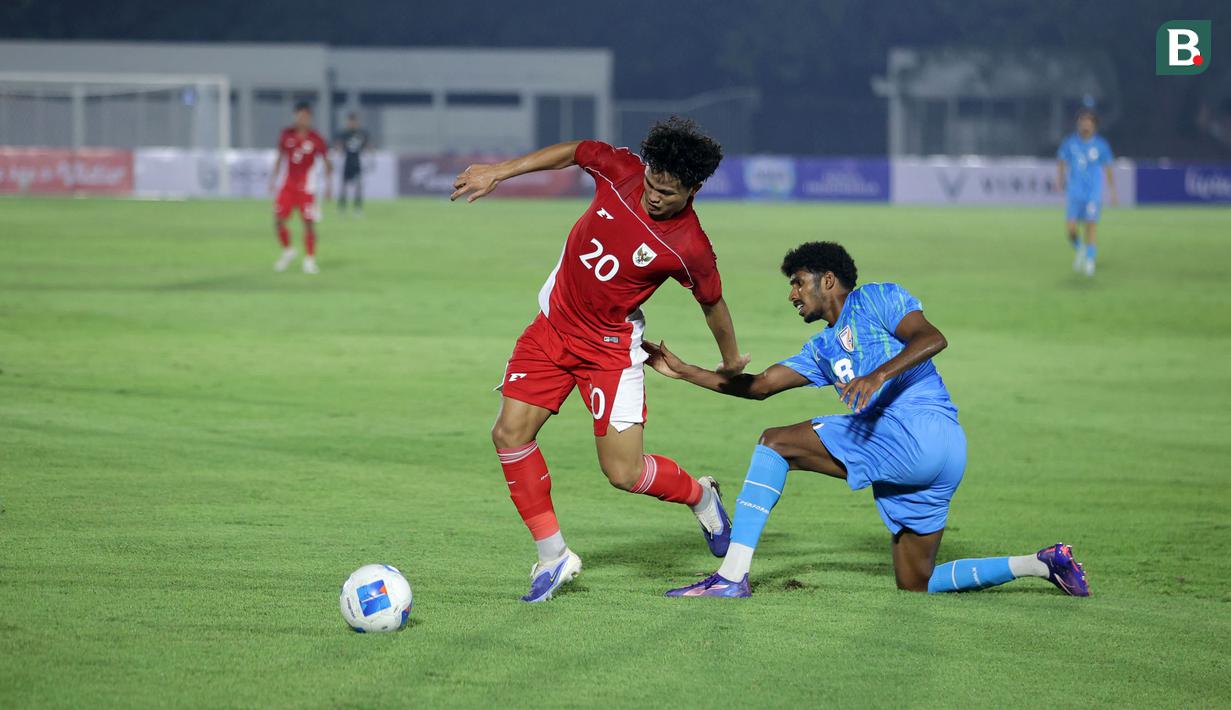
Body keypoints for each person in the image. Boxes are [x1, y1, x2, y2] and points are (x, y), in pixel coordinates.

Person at [644, 241, 1090, 598]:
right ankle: (1040, 563)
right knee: (917, 582)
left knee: (774, 443)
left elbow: (931, 338)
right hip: (942, 455)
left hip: (917, 430)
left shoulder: (876, 299)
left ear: (829, 280)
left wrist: (877, 376)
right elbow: (757, 387)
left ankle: (732, 574)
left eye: (798, 283)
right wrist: (684, 371)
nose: (792, 294)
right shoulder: (821, 350)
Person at [451, 117, 749, 603]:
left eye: (669, 193)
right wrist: (499, 172)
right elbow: (576, 150)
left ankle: (701, 496)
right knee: (509, 434)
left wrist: (730, 359)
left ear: (693, 189)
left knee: (623, 474)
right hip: (553, 328)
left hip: (609, 351)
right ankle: (553, 557)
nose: (654, 196)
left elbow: (712, 303)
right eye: (653, 184)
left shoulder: (690, 246)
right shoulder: (622, 170)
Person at [270, 102, 332, 274]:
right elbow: (279, 158)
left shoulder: (316, 138)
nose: (302, 119)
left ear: (309, 118)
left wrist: (328, 186)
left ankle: (310, 260)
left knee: (309, 224)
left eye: (305, 116)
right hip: (288, 184)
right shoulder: (286, 135)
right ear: (295, 116)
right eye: (299, 115)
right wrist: (273, 180)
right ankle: (288, 251)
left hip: (307, 187)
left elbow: (327, 162)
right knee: (278, 220)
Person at [1057, 108, 1116, 277]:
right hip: (1075, 192)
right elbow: (1061, 160)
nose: (1085, 125)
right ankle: (1080, 249)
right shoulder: (1070, 143)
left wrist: (1112, 190)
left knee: (1090, 226)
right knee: (1071, 229)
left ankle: (1090, 261)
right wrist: (1059, 180)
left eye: (1088, 122)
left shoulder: (1101, 145)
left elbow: (1108, 167)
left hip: (1093, 193)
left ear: (1094, 126)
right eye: (1082, 121)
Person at [335, 112, 369, 215]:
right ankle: (342, 207)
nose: (352, 124)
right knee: (344, 186)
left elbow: (367, 146)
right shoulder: (344, 134)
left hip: (357, 161)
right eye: (351, 121)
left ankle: (357, 208)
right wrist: (338, 150)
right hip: (347, 161)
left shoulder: (362, 133)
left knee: (358, 186)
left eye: (354, 121)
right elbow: (339, 147)